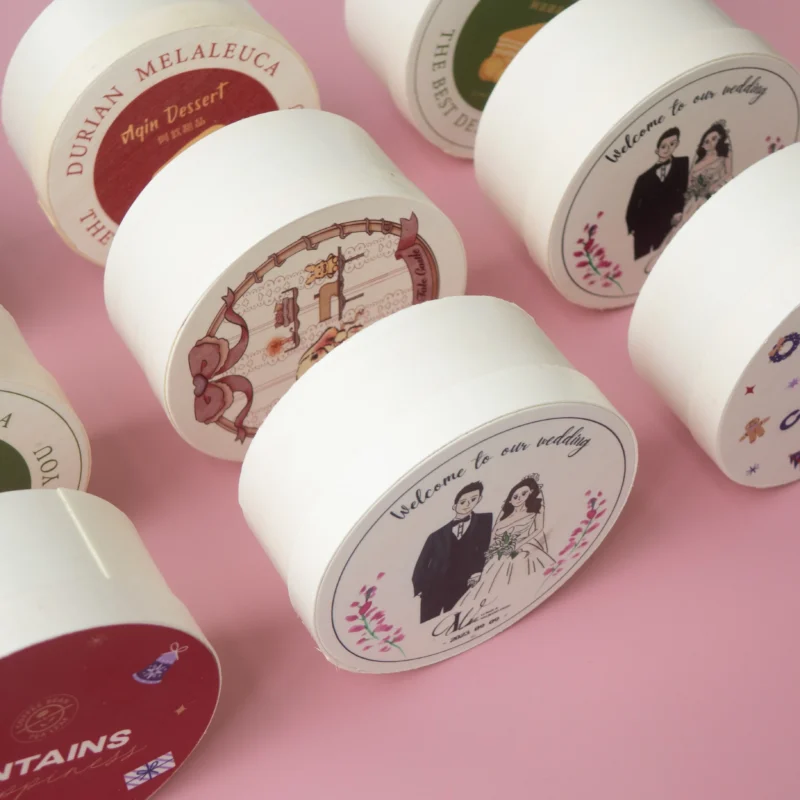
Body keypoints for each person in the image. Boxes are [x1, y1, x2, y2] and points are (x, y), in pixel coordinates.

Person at [644, 121, 733, 273]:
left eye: (715, 138)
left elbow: (729, 175)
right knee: (677, 230)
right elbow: (689, 180)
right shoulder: (699, 159)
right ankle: (660, 261)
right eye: (707, 140)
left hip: (707, 200)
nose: (711, 142)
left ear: (720, 139)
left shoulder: (723, 157)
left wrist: (712, 189)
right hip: (692, 200)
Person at [456, 475, 553, 609]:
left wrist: (518, 546)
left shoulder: (534, 511)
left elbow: (539, 529)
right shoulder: (504, 516)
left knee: (517, 564)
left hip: (522, 549)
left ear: (530, 494)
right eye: (515, 496)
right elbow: (493, 536)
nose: (519, 498)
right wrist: (484, 562)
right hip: (499, 553)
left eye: (524, 494)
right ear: (510, 500)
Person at [411, 482, 493, 623]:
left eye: (473, 499)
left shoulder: (485, 521)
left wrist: (479, 572)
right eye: (462, 502)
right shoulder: (435, 535)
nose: (468, 504)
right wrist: (422, 588)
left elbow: (486, 548)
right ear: (454, 506)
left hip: (464, 586)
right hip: (434, 588)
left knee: (460, 622)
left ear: (479, 499)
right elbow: (422, 563)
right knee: (428, 623)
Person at [626, 128, 690, 261]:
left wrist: (679, 212)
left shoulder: (682, 164)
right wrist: (633, 227)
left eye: (672, 144)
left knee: (668, 256)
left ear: (677, 144)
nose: (668, 149)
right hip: (645, 226)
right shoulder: (643, 178)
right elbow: (633, 204)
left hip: (670, 223)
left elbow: (684, 190)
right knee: (642, 259)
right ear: (657, 150)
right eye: (663, 146)